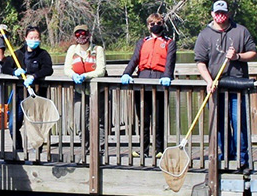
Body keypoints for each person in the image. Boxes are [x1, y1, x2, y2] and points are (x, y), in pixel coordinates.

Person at [193, 0, 257, 170]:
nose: (220, 15)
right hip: (216, 87)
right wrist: (209, 81)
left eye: (223, 12)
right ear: (212, 14)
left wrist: (238, 56)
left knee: (239, 123)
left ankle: (242, 158)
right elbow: (200, 62)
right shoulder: (204, 34)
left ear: (228, 13)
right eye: (217, 13)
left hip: (237, 85)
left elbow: (253, 52)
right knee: (219, 123)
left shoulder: (240, 31)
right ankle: (226, 155)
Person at [120, 13, 177, 156]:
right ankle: (143, 149)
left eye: (158, 23)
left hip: (159, 79)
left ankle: (159, 149)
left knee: (158, 118)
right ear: (148, 26)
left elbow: (170, 62)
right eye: (152, 24)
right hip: (142, 79)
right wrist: (126, 73)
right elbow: (134, 59)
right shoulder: (142, 42)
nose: (155, 26)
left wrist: (167, 76)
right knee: (143, 118)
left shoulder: (169, 42)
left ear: (162, 24)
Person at [13, 26, 55, 151]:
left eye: (36, 37)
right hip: (20, 93)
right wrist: (14, 71)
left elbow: (48, 69)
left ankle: (38, 150)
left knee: (36, 123)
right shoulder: (18, 54)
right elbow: (5, 67)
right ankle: (19, 149)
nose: (34, 40)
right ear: (26, 38)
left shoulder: (43, 54)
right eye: (31, 37)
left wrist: (34, 76)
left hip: (37, 94)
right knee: (13, 123)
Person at [64, 23, 106, 135]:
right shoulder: (72, 50)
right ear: (74, 36)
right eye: (78, 34)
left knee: (99, 121)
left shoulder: (97, 49)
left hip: (97, 91)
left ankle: (100, 150)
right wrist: (73, 75)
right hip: (79, 91)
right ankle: (85, 148)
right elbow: (67, 69)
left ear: (89, 35)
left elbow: (101, 71)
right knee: (81, 121)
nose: (81, 36)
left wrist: (85, 76)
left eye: (84, 33)